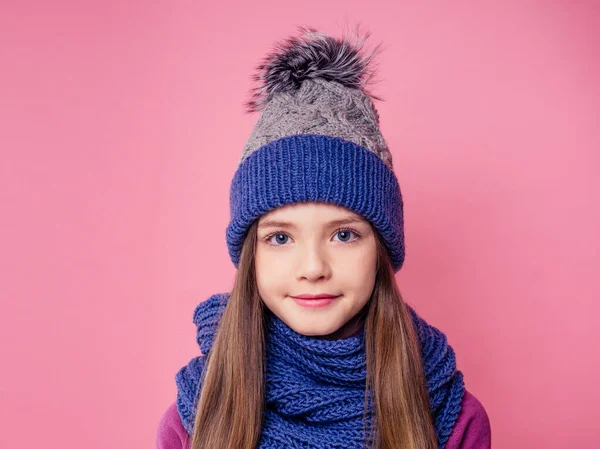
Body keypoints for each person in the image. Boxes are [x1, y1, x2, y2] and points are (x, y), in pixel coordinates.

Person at [156, 25, 491, 449]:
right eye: (280, 238)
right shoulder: (196, 416)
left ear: (380, 249)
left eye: (345, 234)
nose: (313, 268)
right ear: (251, 255)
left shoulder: (452, 417)